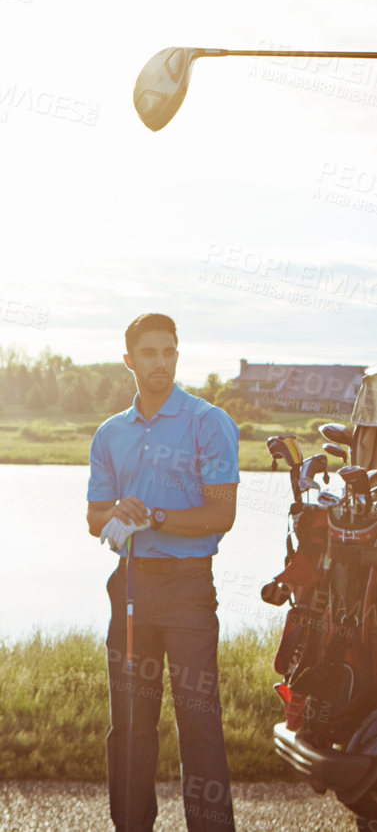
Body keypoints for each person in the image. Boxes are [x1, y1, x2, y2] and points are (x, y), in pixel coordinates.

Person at [86, 313, 240, 832]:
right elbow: (93, 519)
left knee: (199, 725)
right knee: (129, 728)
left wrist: (153, 516)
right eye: (148, 354)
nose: (159, 362)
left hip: (188, 588)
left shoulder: (208, 421)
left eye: (168, 352)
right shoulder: (109, 434)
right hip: (128, 587)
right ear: (129, 361)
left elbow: (222, 515)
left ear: (178, 355)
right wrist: (117, 516)